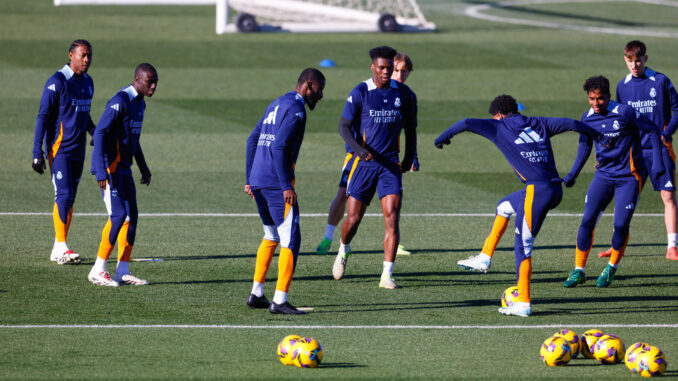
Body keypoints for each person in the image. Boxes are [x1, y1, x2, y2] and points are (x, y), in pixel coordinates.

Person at [435, 94, 603, 317]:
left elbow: (465, 123)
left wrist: (443, 138)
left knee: (523, 246)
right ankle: (485, 257)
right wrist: (599, 134)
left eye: (495, 117)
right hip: (554, 190)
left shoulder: (498, 126)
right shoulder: (539, 122)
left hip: (537, 192)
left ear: (500, 115)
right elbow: (572, 123)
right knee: (504, 206)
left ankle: (523, 302)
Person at [563, 75, 664, 289]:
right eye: (591, 99)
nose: (595, 103)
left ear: (608, 96)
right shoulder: (587, 117)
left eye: (599, 98)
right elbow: (584, 147)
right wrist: (573, 173)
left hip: (629, 177)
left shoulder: (625, 112)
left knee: (620, 225)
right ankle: (579, 270)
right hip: (603, 176)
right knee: (587, 221)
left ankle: (611, 267)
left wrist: (657, 163)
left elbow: (653, 130)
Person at [331, 46, 417, 289]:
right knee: (354, 218)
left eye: (390, 68)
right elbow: (344, 127)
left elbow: (411, 129)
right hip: (364, 164)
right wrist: (360, 151)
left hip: (390, 165)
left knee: (392, 217)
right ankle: (344, 251)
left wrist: (409, 157)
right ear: (373, 68)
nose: (387, 72)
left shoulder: (405, 94)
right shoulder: (361, 92)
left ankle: (387, 275)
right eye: (382, 68)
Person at [244, 68, 325, 314]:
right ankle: (279, 300)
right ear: (309, 85)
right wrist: (286, 185)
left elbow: (252, 139)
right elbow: (279, 147)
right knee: (291, 239)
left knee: (271, 236)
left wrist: (250, 178)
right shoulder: (296, 109)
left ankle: (257, 293)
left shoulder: (277, 103)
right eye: (320, 89)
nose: (321, 95)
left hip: (259, 181)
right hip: (275, 184)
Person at [596, 41, 678, 261]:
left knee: (668, 196)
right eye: (630, 61)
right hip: (634, 152)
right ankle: (616, 247)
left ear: (645, 59)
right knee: (626, 200)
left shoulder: (660, 81)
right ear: (625, 60)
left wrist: (667, 132)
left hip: (660, 150)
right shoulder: (622, 86)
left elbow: (677, 109)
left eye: (638, 60)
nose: (634, 65)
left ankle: (672, 246)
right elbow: (621, 118)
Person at [88, 63, 158, 287]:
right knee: (118, 215)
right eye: (150, 82)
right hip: (110, 168)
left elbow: (133, 140)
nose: (154, 86)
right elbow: (100, 132)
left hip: (125, 169)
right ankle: (98, 269)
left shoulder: (140, 104)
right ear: (137, 79)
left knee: (132, 216)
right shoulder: (121, 101)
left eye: (156, 82)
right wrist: (100, 169)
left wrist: (143, 166)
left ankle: (122, 270)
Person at [32, 39, 95, 265]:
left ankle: (59, 248)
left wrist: (93, 131)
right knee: (64, 194)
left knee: (70, 199)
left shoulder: (88, 82)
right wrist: (36, 151)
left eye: (89, 56)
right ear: (71, 55)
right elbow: (43, 116)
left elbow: (83, 112)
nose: (87, 60)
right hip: (60, 150)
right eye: (82, 55)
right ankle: (61, 246)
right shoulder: (57, 81)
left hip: (78, 150)